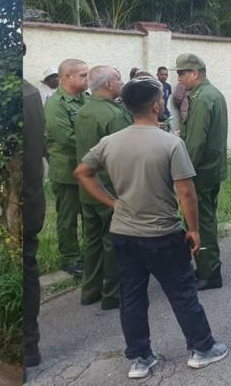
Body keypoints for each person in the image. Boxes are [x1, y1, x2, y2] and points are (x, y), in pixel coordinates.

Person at [75, 76, 229, 380]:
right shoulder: (171, 143)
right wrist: (194, 230)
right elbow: (186, 192)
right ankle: (202, 349)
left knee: (132, 297)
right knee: (182, 293)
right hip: (162, 234)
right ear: (157, 104)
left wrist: (112, 202)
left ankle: (140, 359)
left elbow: (82, 171)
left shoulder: (110, 142)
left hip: (123, 234)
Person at [74, 66, 132, 310]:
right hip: (109, 188)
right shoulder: (114, 115)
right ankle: (112, 294)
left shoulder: (83, 110)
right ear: (108, 85)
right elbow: (123, 154)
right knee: (112, 242)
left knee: (92, 241)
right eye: (118, 79)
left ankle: (90, 290)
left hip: (87, 187)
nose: (121, 83)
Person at [176, 53, 228, 290]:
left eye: (182, 74)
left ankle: (209, 272)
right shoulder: (212, 94)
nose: (179, 79)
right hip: (212, 168)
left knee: (201, 222)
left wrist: (183, 171)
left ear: (195, 73)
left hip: (201, 171)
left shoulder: (201, 98)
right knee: (206, 219)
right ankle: (207, 267)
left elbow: (196, 142)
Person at [44, 58, 89, 277]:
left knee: (89, 213)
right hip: (68, 170)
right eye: (82, 75)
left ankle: (89, 253)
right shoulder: (55, 104)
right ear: (65, 78)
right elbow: (65, 137)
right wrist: (99, 146)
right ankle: (71, 258)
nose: (87, 79)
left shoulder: (85, 99)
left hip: (88, 168)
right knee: (68, 217)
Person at [23, 78, 46, 372]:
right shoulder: (30, 95)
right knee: (27, 269)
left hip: (23, 207)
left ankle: (27, 347)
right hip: (29, 205)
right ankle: (28, 347)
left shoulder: (28, 95)